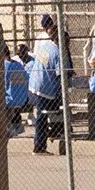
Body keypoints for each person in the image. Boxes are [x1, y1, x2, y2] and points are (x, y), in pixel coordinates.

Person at [28, 17, 65, 155]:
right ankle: (39, 147)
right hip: (44, 89)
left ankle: (53, 133)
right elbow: (61, 75)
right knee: (44, 116)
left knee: (43, 115)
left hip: (34, 85)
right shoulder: (58, 52)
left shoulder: (45, 46)